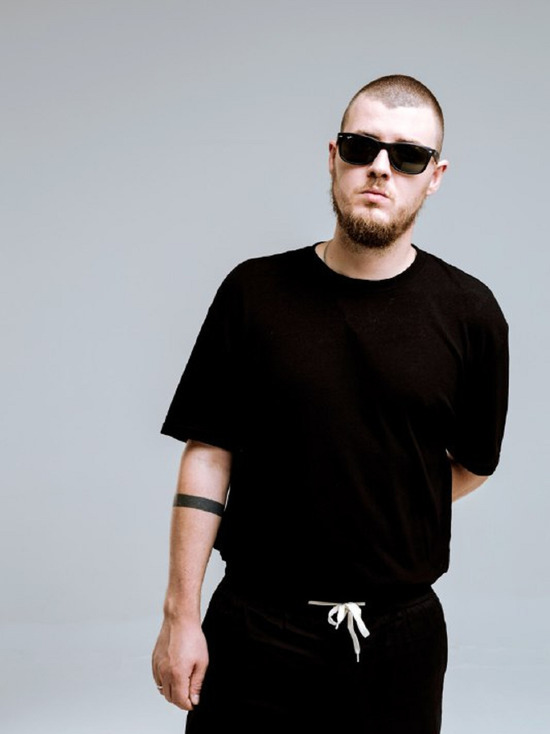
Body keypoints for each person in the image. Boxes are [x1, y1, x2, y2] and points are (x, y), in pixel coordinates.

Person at [151, 74, 509, 733]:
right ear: (333, 156)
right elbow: (208, 453)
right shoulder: (254, 293)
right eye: (361, 146)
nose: (381, 168)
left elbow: (474, 463)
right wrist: (181, 615)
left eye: (408, 156)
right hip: (253, 628)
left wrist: (375, 500)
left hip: (399, 641)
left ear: (434, 176)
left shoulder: (471, 314)